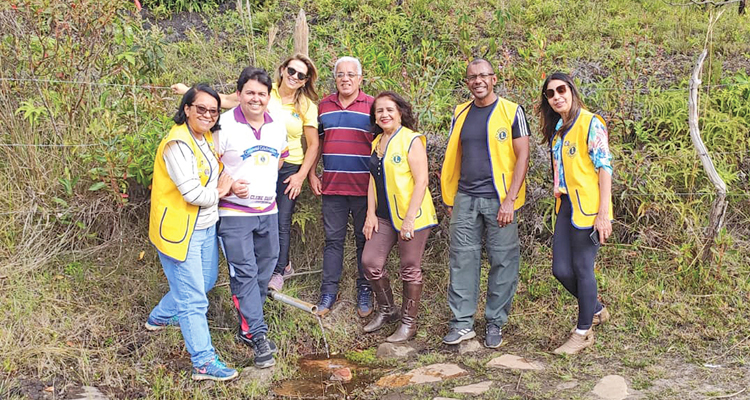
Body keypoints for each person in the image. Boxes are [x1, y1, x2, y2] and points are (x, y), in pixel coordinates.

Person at [172, 54, 320, 292]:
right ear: (283, 70)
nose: (294, 77)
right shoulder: (262, 89)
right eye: (291, 71)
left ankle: (277, 271)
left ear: (305, 81)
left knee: (279, 220)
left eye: (301, 75)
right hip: (249, 161)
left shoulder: (306, 106)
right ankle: (250, 271)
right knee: (250, 215)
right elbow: (225, 100)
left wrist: (302, 175)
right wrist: (189, 92)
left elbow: (313, 144)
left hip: (288, 166)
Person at [146, 84, 238, 381]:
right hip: (180, 230)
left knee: (207, 280)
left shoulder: (204, 137)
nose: (208, 115)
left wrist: (227, 183)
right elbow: (192, 194)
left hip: (205, 226)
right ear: (186, 109)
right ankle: (203, 362)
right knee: (194, 299)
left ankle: (160, 317)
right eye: (201, 109)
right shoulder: (177, 144)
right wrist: (222, 191)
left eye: (213, 111)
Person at [440, 58, 530, 349]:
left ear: (494, 79)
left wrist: (510, 200)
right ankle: (462, 323)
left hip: (500, 201)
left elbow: (523, 156)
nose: (477, 81)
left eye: (483, 76)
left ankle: (494, 322)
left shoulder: (512, 112)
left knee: (503, 261)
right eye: (471, 77)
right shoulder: (460, 113)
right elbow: (454, 156)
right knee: (462, 261)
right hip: (465, 197)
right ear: (466, 83)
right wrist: (450, 197)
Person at [215, 67, 289, 368]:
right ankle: (258, 337)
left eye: (261, 93)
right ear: (239, 94)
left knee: (265, 269)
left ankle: (246, 325)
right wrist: (229, 184)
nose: (256, 98)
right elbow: (208, 163)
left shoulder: (277, 125)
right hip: (234, 213)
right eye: (250, 92)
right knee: (244, 272)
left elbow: (280, 157)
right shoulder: (224, 126)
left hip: (268, 211)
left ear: (268, 96)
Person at [538, 72, 613, 355]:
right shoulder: (558, 129)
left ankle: (583, 332)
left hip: (590, 208)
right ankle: (595, 309)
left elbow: (604, 167)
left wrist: (603, 214)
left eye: (561, 90)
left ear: (571, 90)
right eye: (550, 93)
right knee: (560, 269)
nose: (557, 96)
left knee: (583, 268)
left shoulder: (591, 123)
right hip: (566, 206)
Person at [361, 91, 437, 342]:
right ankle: (387, 309)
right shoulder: (376, 143)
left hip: (411, 216)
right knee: (370, 263)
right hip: (383, 217)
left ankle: (408, 323)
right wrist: (370, 214)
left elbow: (421, 181)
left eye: (389, 109)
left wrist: (409, 220)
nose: (384, 114)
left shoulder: (411, 140)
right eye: (379, 110)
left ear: (400, 112)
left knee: (410, 269)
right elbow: (372, 180)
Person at [309, 57, 375, 316]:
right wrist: (313, 173)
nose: (345, 79)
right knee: (333, 241)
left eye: (351, 74)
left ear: (360, 78)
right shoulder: (324, 106)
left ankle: (365, 290)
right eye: (340, 74)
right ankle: (328, 292)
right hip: (333, 188)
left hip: (364, 189)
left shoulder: (372, 106)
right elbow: (317, 144)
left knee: (364, 240)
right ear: (334, 78)